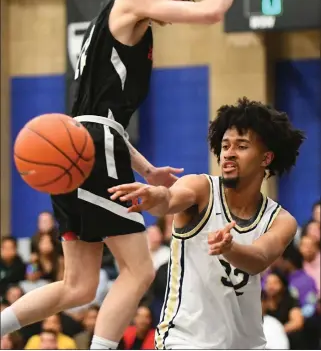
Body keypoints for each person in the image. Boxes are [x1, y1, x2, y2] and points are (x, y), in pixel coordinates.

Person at [0, 0, 239, 349]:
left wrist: (146, 169)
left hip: (77, 144)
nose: (178, 9)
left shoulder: (123, 28)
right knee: (139, 271)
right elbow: (212, 13)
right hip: (93, 147)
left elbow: (104, 119)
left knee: (78, 286)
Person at [109, 97, 305, 349]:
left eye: (242, 146)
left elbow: (258, 258)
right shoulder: (201, 188)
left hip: (247, 345)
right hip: (185, 340)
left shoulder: (281, 220)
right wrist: (154, 195)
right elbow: (169, 199)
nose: (229, 154)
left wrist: (229, 248)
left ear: (266, 159)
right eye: (225, 146)